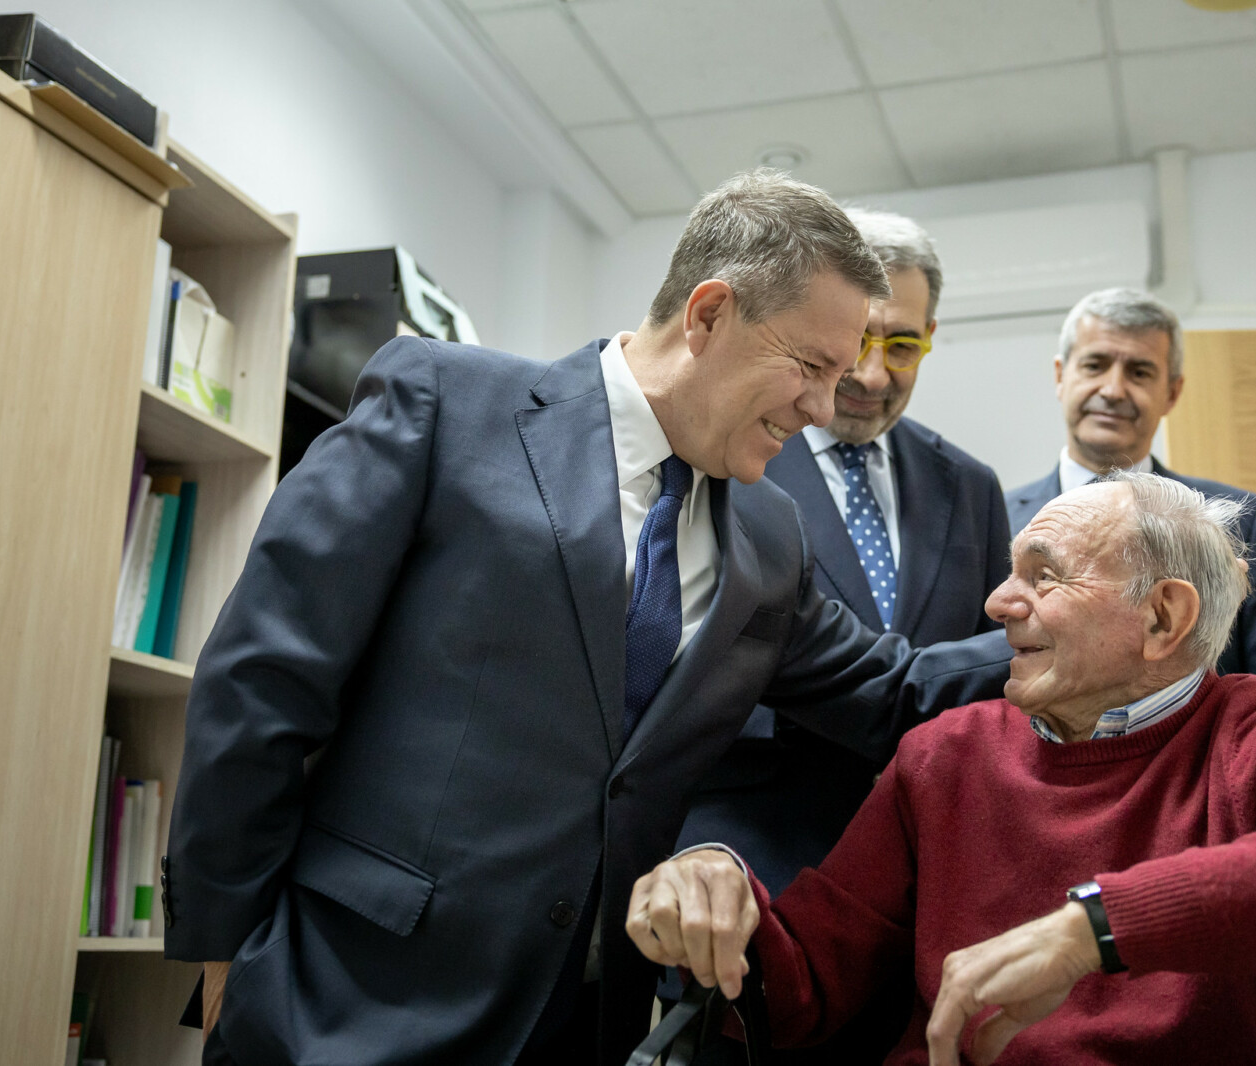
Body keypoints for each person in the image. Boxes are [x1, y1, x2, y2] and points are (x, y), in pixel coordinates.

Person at [160, 169, 1014, 1066]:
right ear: (710, 314)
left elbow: (891, 690)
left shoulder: (769, 539)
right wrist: (224, 949)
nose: (823, 407)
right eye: (810, 367)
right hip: (347, 995)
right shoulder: (447, 405)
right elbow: (263, 681)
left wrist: (1084, 625)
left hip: (583, 1023)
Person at [629, 473, 1256, 1066]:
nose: (999, 604)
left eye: (1044, 576)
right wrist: (715, 891)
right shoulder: (946, 754)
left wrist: (1095, 932)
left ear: (1161, 617)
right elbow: (802, 984)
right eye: (1008, 573)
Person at [674, 208, 1009, 1062]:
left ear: (931, 339)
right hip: (756, 867)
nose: (868, 373)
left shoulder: (969, 487)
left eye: (902, 346)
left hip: (927, 891)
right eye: (856, 340)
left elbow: (982, 693)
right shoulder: (732, 450)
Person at [1003, 288, 1256, 694]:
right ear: (1061, 375)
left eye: (1139, 372)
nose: (1113, 390)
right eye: (1095, 365)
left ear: (1172, 392)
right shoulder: (993, 517)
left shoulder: (1240, 523)